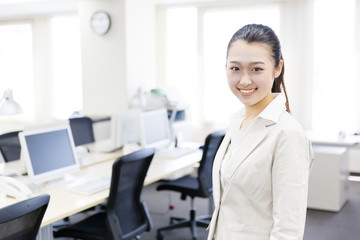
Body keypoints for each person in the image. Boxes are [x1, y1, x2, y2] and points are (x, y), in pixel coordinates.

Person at [207, 24, 314, 240]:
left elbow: (288, 230)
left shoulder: (288, 135)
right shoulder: (237, 122)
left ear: (277, 68)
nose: (245, 80)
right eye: (235, 68)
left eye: (256, 69)